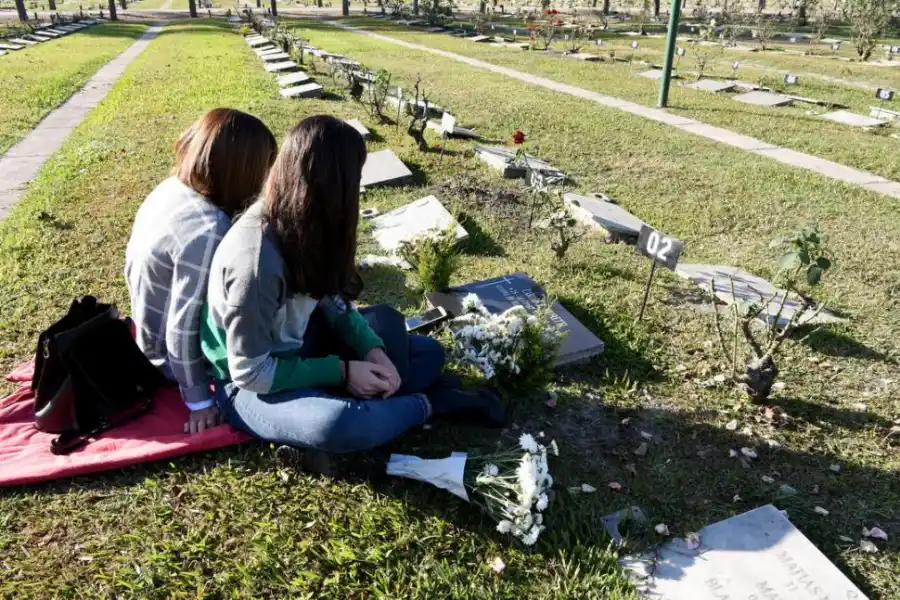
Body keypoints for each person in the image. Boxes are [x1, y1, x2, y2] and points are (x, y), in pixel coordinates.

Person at [201, 115, 506, 454]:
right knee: (338, 424)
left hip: (301, 345)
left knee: (428, 354)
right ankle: (431, 404)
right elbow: (251, 372)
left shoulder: (305, 220)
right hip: (249, 383)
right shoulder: (255, 261)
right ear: (333, 186)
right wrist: (343, 372)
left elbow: (330, 298)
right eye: (354, 180)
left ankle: (370, 404)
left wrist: (372, 351)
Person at [125, 108, 277, 435]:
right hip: (168, 360)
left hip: (145, 335)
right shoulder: (209, 230)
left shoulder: (171, 188)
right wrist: (199, 401)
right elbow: (183, 326)